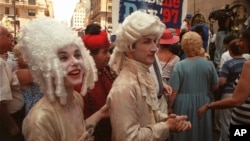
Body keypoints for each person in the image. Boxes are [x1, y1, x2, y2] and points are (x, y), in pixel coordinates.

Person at [19, 17, 108, 141]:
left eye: (77, 55)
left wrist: (101, 113)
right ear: (46, 66)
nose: (75, 62)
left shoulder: (76, 99)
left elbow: (77, 133)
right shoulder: (41, 119)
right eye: (63, 58)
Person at [107, 11, 191, 141]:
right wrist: (166, 127)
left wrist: (168, 120)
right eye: (146, 42)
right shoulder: (124, 87)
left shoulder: (143, 76)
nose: (154, 48)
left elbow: (148, 115)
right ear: (130, 46)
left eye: (154, 41)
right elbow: (128, 138)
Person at [198, 28, 250, 138]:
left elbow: (236, 100)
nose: (239, 43)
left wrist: (209, 106)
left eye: (241, 40)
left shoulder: (248, 65)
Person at [168, 31, 219, 141]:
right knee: (202, 131)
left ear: (184, 46)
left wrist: (170, 106)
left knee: (183, 131)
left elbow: (174, 91)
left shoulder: (179, 66)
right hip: (204, 101)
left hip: (182, 103)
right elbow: (216, 86)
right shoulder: (209, 64)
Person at [77, 23, 116, 141]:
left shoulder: (106, 72)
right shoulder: (78, 82)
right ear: (90, 55)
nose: (109, 56)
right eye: (105, 52)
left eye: (109, 51)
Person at [0, 25, 25, 141]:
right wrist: (12, 127)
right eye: (8, 36)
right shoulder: (0, 64)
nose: (12, 39)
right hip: (12, 119)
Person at [12, 44, 43, 115]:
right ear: (17, 57)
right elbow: (39, 75)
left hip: (40, 107)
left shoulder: (31, 69)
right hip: (33, 110)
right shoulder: (18, 73)